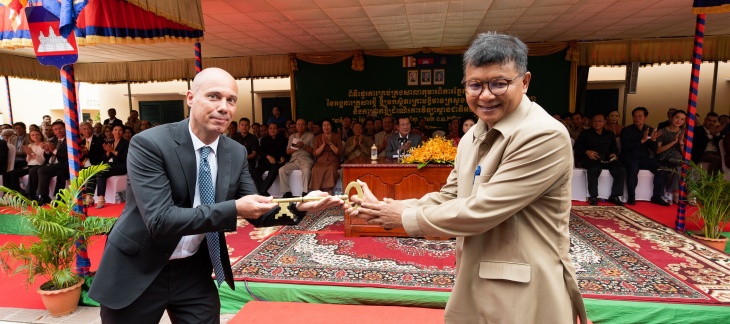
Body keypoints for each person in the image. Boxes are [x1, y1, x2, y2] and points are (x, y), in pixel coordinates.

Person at [346, 33, 586, 324]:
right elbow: (450, 196)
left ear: (524, 82)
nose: (485, 95)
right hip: (473, 279)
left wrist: (404, 217)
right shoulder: (474, 134)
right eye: (475, 84)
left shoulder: (543, 135)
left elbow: (482, 210)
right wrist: (385, 207)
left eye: (499, 83)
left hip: (526, 289)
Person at [88, 68, 343, 323]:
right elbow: (160, 220)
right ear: (190, 97)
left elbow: (258, 209)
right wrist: (234, 208)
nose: (224, 107)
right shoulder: (151, 144)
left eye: (231, 100)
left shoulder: (235, 151)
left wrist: (301, 205)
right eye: (213, 96)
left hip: (193, 270)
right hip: (138, 267)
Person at [619, 107, 670, 206]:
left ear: (645, 117)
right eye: (635, 116)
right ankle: (631, 196)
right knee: (633, 168)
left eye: (640, 116)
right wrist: (642, 140)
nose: (637, 118)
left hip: (643, 158)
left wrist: (653, 140)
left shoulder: (650, 130)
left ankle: (657, 196)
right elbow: (625, 147)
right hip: (629, 158)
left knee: (661, 168)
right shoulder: (626, 130)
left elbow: (654, 149)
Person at [574, 114, 625, 206]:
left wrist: (614, 153)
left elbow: (614, 148)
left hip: (606, 158)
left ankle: (615, 195)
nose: (597, 123)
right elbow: (577, 147)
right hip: (590, 158)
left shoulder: (609, 134)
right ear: (591, 122)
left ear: (605, 122)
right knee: (593, 169)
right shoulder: (585, 133)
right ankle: (593, 196)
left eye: (600, 121)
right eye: (595, 121)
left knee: (620, 169)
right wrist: (587, 152)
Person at [86, 124, 129, 209]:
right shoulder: (110, 142)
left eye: (120, 130)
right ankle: (89, 197)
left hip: (122, 166)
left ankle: (101, 198)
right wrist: (108, 153)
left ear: (123, 132)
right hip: (111, 165)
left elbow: (126, 158)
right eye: (115, 130)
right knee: (95, 170)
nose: (117, 132)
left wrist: (114, 151)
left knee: (101, 171)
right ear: (112, 132)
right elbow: (103, 159)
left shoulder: (127, 143)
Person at [656, 110, 686, 204]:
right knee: (675, 168)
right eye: (677, 117)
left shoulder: (684, 132)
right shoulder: (662, 131)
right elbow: (658, 150)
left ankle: (690, 194)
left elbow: (685, 153)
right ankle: (676, 193)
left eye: (682, 119)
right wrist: (673, 142)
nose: (679, 121)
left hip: (679, 157)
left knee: (692, 168)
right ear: (671, 117)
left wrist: (681, 142)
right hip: (665, 157)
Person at [279, 119, 315, 198]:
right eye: (298, 124)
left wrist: (304, 146)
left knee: (306, 171)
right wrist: (295, 147)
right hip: (294, 160)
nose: (300, 126)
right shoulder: (292, 136)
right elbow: (288, 151)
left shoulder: (311, 136)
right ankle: (287, 192)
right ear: (296, 126)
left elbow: (313, 151)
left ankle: (305, 192)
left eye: (302, 124)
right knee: (282, 170)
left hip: (306, 160)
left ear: (305, 126)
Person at [3, 129, 44, 193]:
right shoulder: (31, 145)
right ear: (30, 137)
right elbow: (28, 161)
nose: (35, 137)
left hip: (38, 166)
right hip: (29, 165)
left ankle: (15, 194)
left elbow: (41, 161)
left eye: (37, 135)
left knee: (14, 174)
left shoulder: (44, 145)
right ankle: (7, 194)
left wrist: (31, 153)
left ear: (41, 135)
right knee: (6, 175)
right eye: (33, 135)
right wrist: (29, 154)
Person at [252, 123, 288, 195]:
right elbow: (261, 151)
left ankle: (262, 191)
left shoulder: (284, 139)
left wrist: (283, 157)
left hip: (277, 162)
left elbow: (285, 152)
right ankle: (264, 192)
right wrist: (268, 156)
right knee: (255, 173)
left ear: (277, 130)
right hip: (265, 161)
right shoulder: (264, 140)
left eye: (274, 128)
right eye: (270, 128)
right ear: (268, 130)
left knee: (274, 171)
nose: (272, 130)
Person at [310, 119, 342, 194]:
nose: (326, 127)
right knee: (315, 168)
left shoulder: (337, 136)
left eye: (328, 125)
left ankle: (329, 191)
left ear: (331, 127)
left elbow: (338, 152)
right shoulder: (318, 137)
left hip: (333, 160)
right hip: (321, 160)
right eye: (324, 125)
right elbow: (315, 153)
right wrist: (324, 144)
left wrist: (329, 143)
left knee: (331, 169)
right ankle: (317, 192)